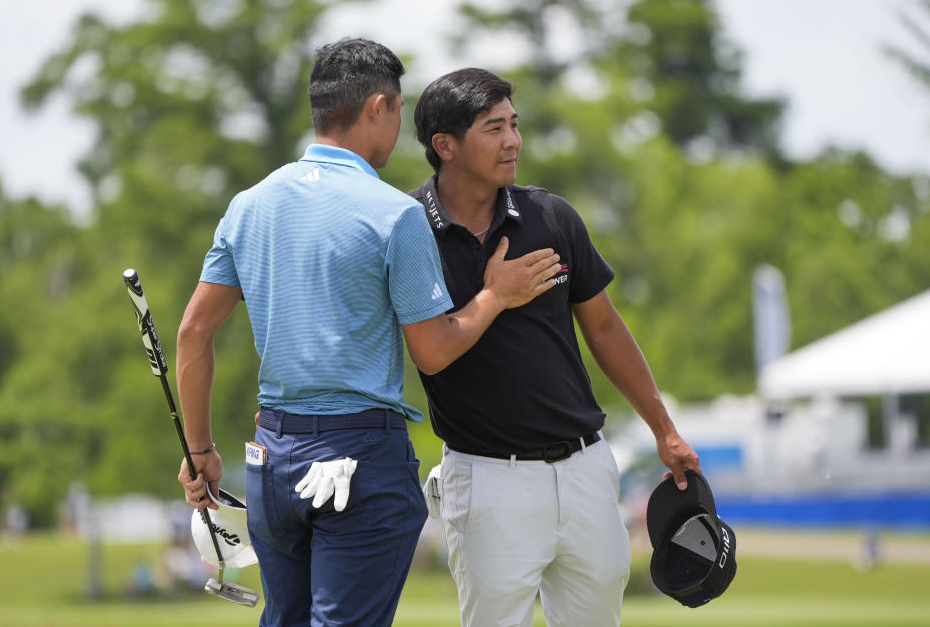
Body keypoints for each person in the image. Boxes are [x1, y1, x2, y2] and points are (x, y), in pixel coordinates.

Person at [174, 41, 562, 627]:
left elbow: (193, 333)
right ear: (378, 106)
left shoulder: (248, 205)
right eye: (399, 110)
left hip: (271, 459)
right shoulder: (393, 214)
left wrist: (200, 450)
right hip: (358, 460)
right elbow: (433, 352)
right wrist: (495, 296)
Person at [410, 68, 701, 627]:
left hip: (586, 470)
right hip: (487, 480)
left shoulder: (550, 217)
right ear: (444, 145)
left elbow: (606, 330)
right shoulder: (408, 229)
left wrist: (663, 429)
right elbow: (430, 351)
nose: (513, 141)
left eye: (514, 125)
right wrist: (497, 295)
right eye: (493, 128)